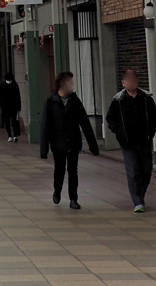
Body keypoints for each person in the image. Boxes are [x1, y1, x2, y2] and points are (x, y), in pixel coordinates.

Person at [40, 71, 99, 210]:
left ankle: (73, 198)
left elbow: (85, 123)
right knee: (59, 169)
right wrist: (44, 149)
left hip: (73, 141)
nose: (72, 85)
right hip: (57, 142)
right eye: (70, 82)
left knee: (73, 170)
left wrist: (93, 146)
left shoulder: (75, 101)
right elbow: (45, 126)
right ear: (62, 84)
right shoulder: (50, 102)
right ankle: (57, 191)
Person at [106, 68, 156, 213]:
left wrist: (152, 131)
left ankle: (140, 195)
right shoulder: (118, 100)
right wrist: (119, 132)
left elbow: (155, 116)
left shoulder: (146, 98)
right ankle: (137, 201)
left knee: (146, 170)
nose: (131, 82)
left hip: (145, 140)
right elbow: (110, 119)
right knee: (134, 170)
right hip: (127, 142)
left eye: (133, 79)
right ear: (123, 83)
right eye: (128, 79)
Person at [0, 71, 22, 142]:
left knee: (10, 122)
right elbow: (18, 97)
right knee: (11, 122)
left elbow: (0, 97)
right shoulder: (15, 85)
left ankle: (12, 135)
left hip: (10, 107)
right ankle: (12, 135)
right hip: (11, 107)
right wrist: (18, 108)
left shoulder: (3, 86)